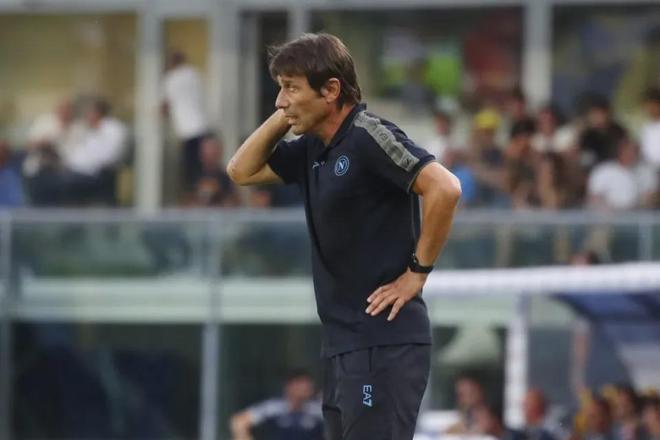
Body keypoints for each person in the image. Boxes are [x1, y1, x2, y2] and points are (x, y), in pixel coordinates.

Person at [227, 33, 461, 440]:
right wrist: (289, 111)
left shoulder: (368, 136)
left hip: (382, 344)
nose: (280, 100)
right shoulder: (311, 148)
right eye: (280, 87)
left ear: (331, 90)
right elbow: (241, 170)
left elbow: (445, 188)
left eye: (291, 87)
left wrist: (417, 273)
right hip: (342, 348)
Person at [161, 51, 211, 192]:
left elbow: (165, 105)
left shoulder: (171, 78)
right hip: (201, 124)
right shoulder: (194, 74)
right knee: (202, 164)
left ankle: (194, 192)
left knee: (190, 169)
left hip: (186, 129)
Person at [230, 370, 324, 440]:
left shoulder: (317, 410)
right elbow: (239, 421)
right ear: (289, 386)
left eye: (307, 385)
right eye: (300, 384)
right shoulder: (274, 407)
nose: (304, 388)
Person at [185, 134, 239, 207]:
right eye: (208, 149)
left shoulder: (227, 176)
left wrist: (218, 192)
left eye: (214, 149)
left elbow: (234, 203)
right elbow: (185, 204)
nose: (211, 153)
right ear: (201, 152)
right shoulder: (192, 175)